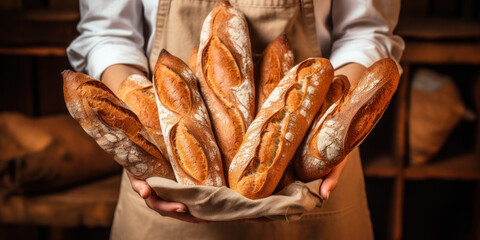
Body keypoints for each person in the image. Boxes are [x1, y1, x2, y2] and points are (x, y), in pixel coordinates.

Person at [67, 0, 404, 239]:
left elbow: (366, 32)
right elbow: (107, 35)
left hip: (313, 186)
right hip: (169, 190)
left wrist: (334, 130)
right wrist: (136, 147)